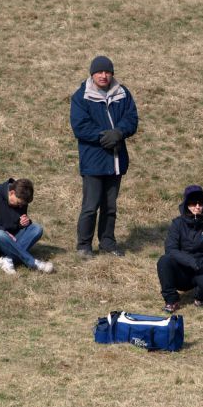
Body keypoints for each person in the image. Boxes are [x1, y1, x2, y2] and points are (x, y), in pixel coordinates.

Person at [69, 55, 139, 258]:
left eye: (107, 72)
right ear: (92, 74)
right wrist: (103, 137)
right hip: (93, 161)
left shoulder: (123, 93)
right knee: (90, 207)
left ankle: (108, 242)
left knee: (110, 206)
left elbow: (132, 118)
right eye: (99, 72)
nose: (103, 75)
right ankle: (84, 246)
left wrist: (119, 132)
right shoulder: (81, 96)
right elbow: (80, 126)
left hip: (116, 161)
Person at [0, 178, 53, 274]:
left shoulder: (21, 202)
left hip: (8, 238)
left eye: (23, 205)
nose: (20, 207)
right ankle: (33, 262)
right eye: (19, 203)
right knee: (0, 234)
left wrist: (22, 223)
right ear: (11, 192)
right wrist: (3, 231)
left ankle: (7, 259)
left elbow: (15, 224)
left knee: (36, 229)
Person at [156, 185, 203, 313]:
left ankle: (199, 296)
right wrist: (190, 261)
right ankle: (171, 300)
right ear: (186, 204)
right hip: (182, 270)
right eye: (193, 202)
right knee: (164, 261)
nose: (197, 206)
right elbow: (171, 250)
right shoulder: (177, 224)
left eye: (200, 203)